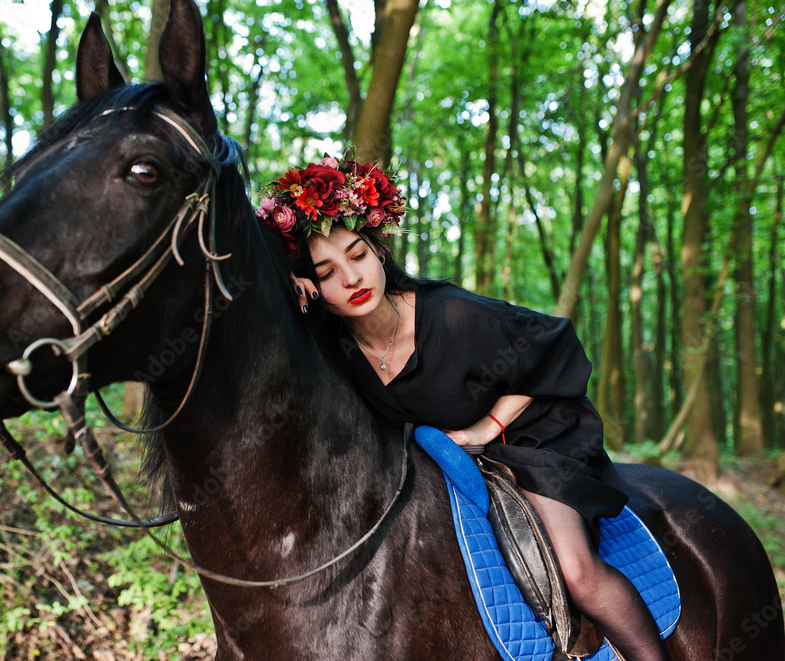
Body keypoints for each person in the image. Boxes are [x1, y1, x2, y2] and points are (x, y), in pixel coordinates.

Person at [256, 155, 670, 661]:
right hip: (453, 456)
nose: (351, 277)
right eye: (326, 271)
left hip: (532, 434)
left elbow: (557, 345)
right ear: (314, 287)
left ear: (379, 250)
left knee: (576, 571)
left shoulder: (453, 316)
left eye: (357, 255)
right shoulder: (335, 346)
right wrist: (287, 294)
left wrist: (483, 428)